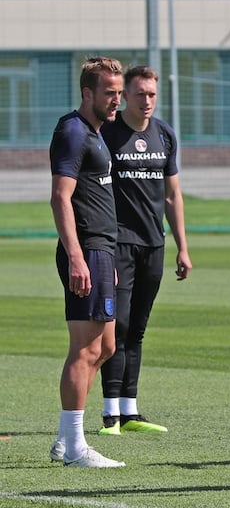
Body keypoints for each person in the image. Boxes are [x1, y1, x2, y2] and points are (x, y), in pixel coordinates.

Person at [97, 65, 192, 436]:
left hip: (154, 243)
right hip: (117, 243)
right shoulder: (107, 132)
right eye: (140, 94)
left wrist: (183, 246)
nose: (147, 101)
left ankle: (131, 410)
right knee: (115, 327)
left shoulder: (164, 134)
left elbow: (172, 194)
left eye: (152, 94)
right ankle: (110, 415)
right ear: (125, 96)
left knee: (137, 328)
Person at [47, 57, 126, 468]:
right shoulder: (73, 132)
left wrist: (106, 256)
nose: (118, 100)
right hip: (86, 252)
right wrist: (78, 257)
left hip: (101, 251)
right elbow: (61, 197)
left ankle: (65, 440)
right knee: (84, 348)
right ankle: (75, 445)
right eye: (110, 92)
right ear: (87, 93)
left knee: (106, 346)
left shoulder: (96, 134)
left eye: (119, 92)